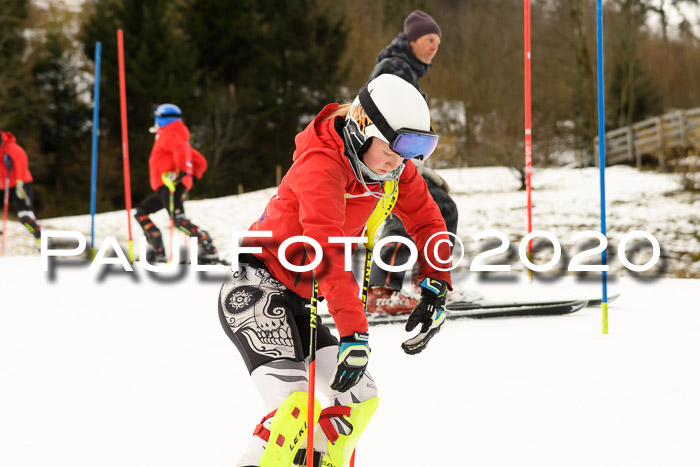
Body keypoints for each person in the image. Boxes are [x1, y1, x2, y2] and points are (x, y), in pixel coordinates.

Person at [218, 74, 452, 467]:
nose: (403, 159)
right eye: (397, 145)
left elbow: (428, 221)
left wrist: (436, 286)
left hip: (301, 301)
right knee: (293, 410)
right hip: (256, 288)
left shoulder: (392, 170)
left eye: (417, 148)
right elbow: (323, 251)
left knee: (360, 398)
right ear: (363, 128)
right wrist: (353, 331)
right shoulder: (320, 164)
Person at [366, 10, 459, 315]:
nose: (435, 46)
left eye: (439, 42)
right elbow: (390, 120)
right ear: (412, 39)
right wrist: (410, 165)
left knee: (442, 207)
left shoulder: (406, 68)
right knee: (402, 212)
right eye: (430, 39)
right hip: (385, 157)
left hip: (401, 157)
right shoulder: (394, 69)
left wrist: (423, 168)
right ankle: (381, 291)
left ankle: (428, 283)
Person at [134, 103, 219, 263]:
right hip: (165, 187)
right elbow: (200, 161)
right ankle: (156, 249)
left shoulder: (170, 135)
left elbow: (181, 149)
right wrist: (191, 177)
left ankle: (207, 249)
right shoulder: (171, 135)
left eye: (156, 118)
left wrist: (182, 172)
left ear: (162, 119)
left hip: (171, 186)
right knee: (141, 211)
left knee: (177, 219)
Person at [0, 130, 44, 245]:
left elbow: (22, 163)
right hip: (3, 185)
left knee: (24, 215)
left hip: (20, 183)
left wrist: (20, 182)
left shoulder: (12, 148)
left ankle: (42, 239)